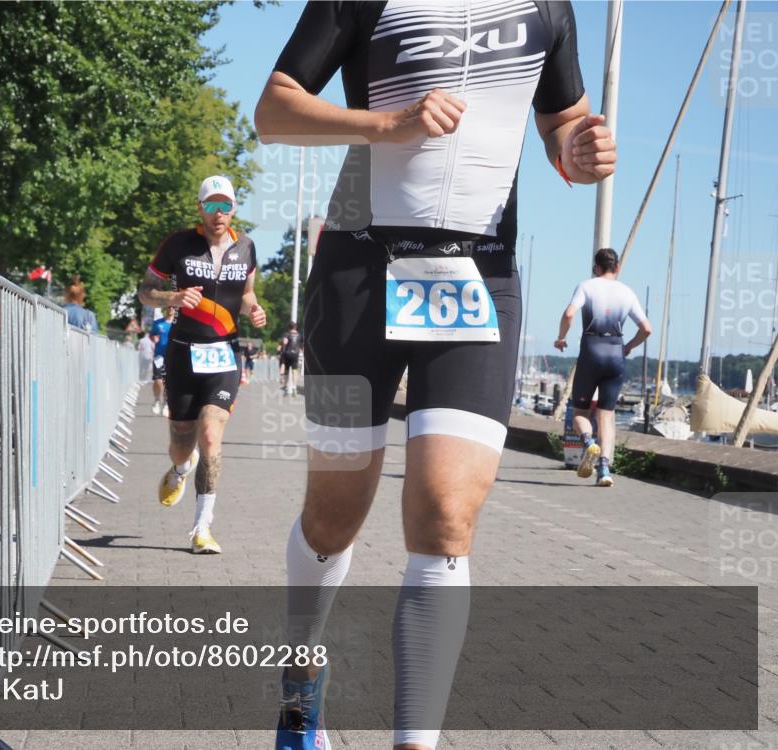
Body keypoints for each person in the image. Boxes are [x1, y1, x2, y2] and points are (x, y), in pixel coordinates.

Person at [255, 2, 617, 748]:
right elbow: (274, 111)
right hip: (355, 271)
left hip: (477, 275)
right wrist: (390, 125)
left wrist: (581, 152)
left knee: (446, 516)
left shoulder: (548, 7)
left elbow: (563, 125)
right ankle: (299, 691)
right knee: (333, 513)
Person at [138, 175, 267, 554]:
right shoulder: (178, 244)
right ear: (200, 209)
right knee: (182, 439)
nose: (219, 213)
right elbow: (146, 292)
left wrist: (254, 309)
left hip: (224, 353)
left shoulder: (246, 247)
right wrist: (174, 296)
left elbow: (245, 294)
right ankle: (180, 468)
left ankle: (201, 529)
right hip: (183, 353)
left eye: (225, 205)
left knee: (211, 435)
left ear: (233, 209)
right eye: (211, 206)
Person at [555, 248, 651, 487]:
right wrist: (628, 347)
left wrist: (561, 337)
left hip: (592, 350)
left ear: (596, 268)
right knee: (607, 416)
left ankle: (589, 443)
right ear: (617, 267)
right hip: (616, 352)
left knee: (580, 413)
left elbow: (569, 314)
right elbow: (647, 329)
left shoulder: (587, 286)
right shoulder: (627, 292)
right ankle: (605, 470)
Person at [149, 307, 177, 416]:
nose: (171, 309)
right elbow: (152, 334)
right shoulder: (158, 323)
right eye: (169, 307)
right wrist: (154, 338)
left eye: (173, 307)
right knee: (158, 381)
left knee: (168, 383)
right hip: (159, 356)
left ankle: (166, 404)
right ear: (166, 309)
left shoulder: (178, 323)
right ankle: (157, 400)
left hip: (173, 356)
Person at [278, 323, 302, 396]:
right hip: (296, 354)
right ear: (296, 327)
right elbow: (302, 345)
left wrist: (283, 345)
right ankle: (294, 387)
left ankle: (286, 387)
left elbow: (285, 342)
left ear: (289, 327)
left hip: (288, 353)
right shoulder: (299, 335)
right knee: (295, 370)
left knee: (287, 371)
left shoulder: (287, 334)